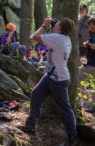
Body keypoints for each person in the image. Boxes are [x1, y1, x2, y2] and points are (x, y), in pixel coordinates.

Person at [20, 17, 77, 145]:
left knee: (65, 107)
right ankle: (30, 126)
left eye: (57, 23)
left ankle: (73, 136)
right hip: (51, 76)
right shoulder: (65, 39)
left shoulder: (57, 38)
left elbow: (33, 38)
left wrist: (44, 25)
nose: (54, 23)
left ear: (60, 27)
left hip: (58, 80)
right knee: (36, 95)